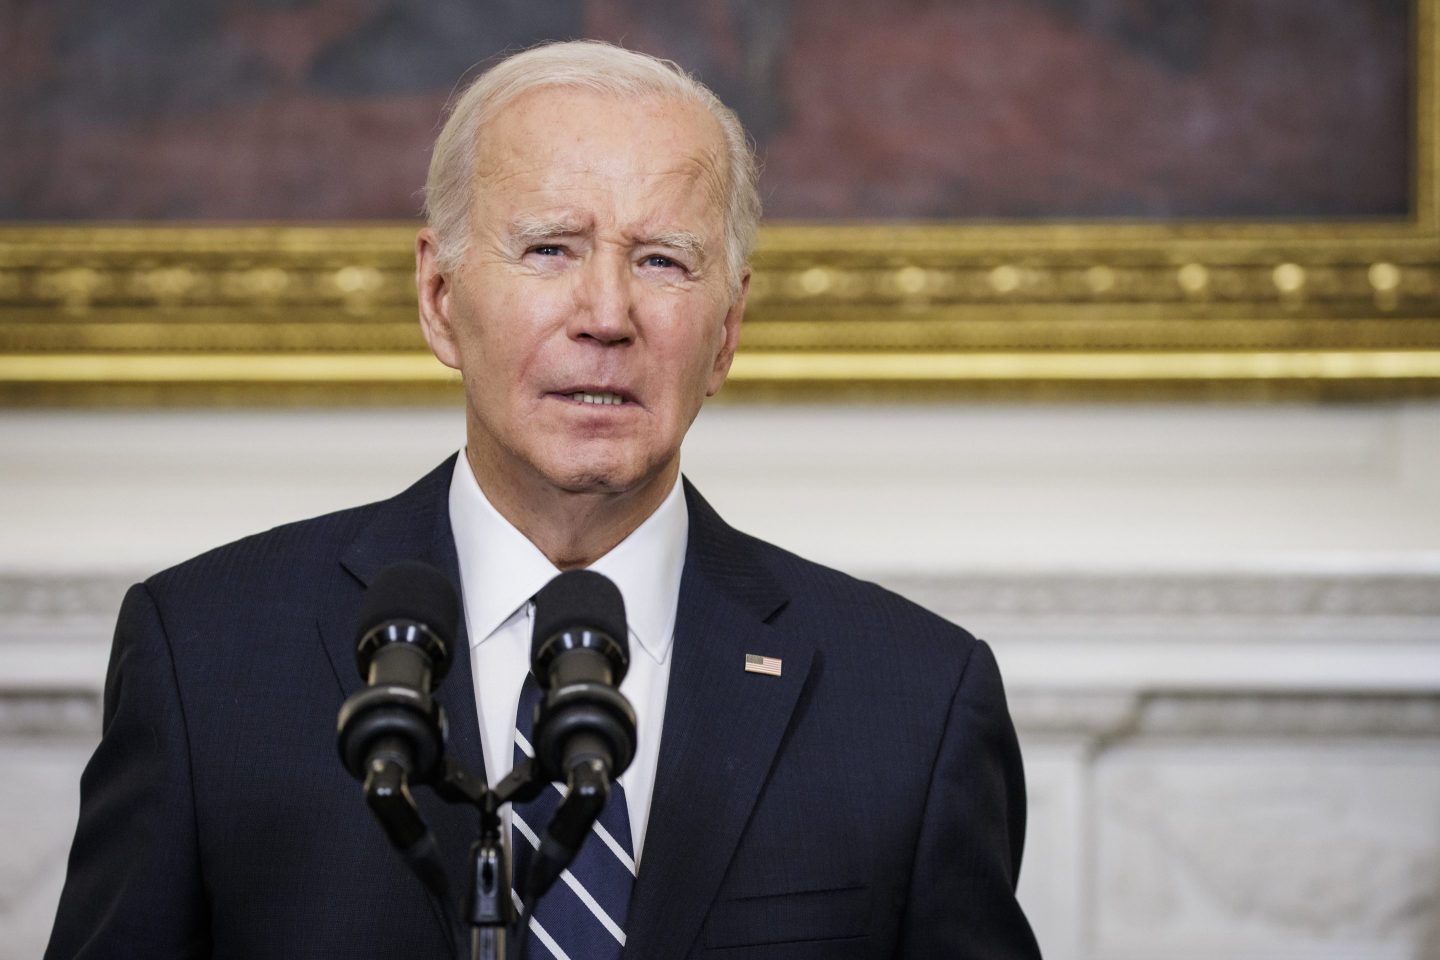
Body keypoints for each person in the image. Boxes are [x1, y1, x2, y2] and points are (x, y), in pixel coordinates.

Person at [45, 40, 1040, 959]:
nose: (606, 316)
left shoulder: (914, 704)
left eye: (662, 260)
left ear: (727, 331)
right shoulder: (207, 657)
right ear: (440, 298)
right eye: (551, 248)